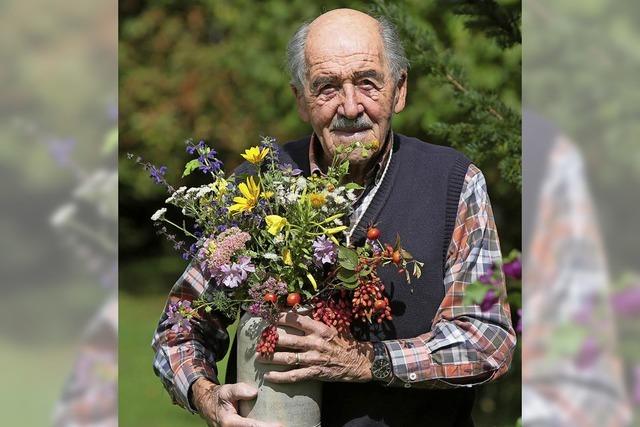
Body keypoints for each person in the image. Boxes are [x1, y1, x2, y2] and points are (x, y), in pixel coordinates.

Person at [152, 8, 516, 427]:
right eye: (326, 87)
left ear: (399, 90)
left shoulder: (454, 183)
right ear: (301, 101)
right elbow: (178, 329)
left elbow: (487, 338)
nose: (349, 106)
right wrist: (206, 395)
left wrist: (367, 361)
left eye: (367, 82)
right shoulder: (256, 189)